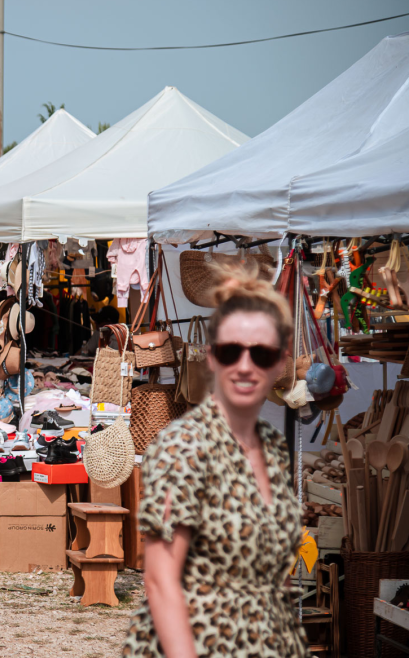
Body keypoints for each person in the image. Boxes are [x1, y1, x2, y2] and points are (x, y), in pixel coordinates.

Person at [120, 266, 306, 658]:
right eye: (229, 350)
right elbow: (160, 581)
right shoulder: (184, 448)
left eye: (261, 352)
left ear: (279, 362)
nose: (244, 365)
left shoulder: (269, 447)